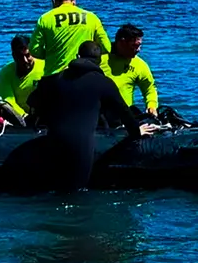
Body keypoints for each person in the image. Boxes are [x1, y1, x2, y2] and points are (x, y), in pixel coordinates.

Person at [25, 41, 154, 191]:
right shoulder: (104, 83)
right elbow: (124, 112)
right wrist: (138, 131)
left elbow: (32, 103)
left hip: (52, 143)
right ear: (99, 61)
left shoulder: (55, 80)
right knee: (76, 195)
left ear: (77, 56)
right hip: (81, 147)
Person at [30, 0, 111, 76]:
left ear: (53, 0)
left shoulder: (45, 19)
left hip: (56, 77)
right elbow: (106, 47)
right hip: (84, 75)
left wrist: (51, 55)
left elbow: (34, 50)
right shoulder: (91, 17)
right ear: (73, 0)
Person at [100, 24, 159, 117]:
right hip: (99, 115)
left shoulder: (139, 64)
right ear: (122, 42)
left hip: (124, 117)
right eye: (135, 46)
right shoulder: (100, 58)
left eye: (140, 46)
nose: (138, 50)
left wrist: (151, 105)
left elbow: (149, 88)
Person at [0, 34, 45, 121]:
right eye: (20, 57)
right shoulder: (5, 72)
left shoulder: (45, 67)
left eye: (27, 55)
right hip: (18, 117)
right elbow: (8, 101)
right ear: (14, 56)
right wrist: (24, 116)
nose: (25, 60)